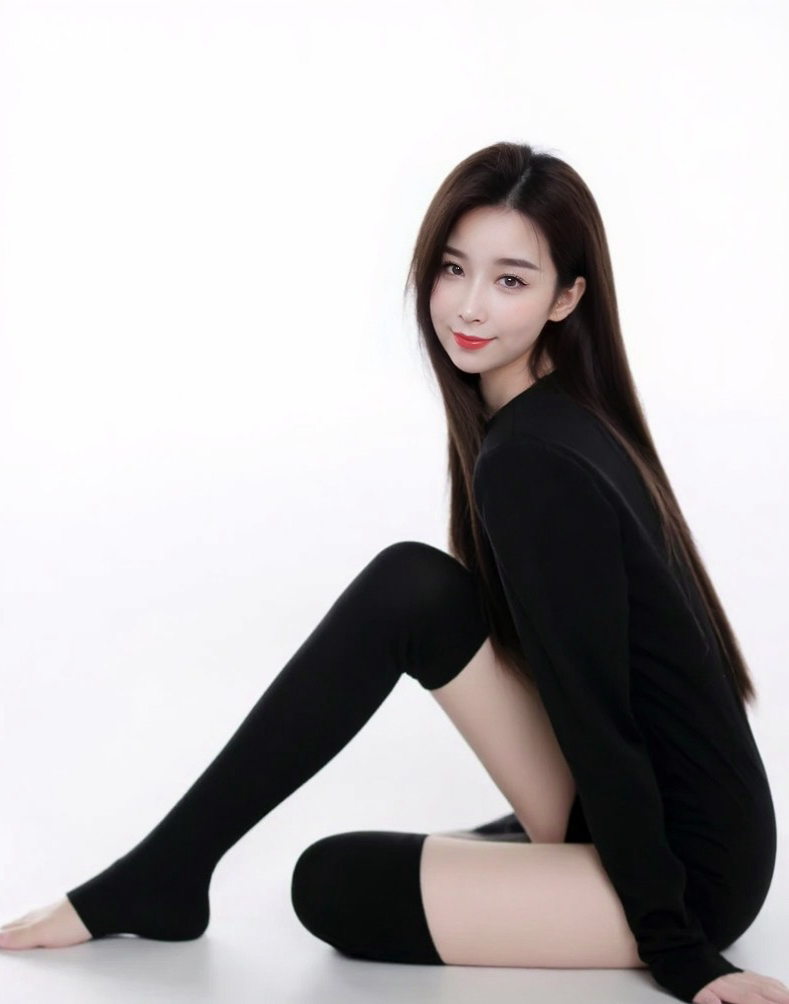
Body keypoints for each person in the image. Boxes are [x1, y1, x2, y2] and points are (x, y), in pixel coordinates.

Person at [1, 141, 785, 1004]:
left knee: (330, 884)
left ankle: (159, 877)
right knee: (415, 588)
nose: (469, 306)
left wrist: (682, 956)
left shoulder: (531, 463)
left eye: (511, 280)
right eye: (453, 268)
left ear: (567, 298)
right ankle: (163, 872)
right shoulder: (558, 422)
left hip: (689, 878)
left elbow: (603, 717)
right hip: (692, 827)